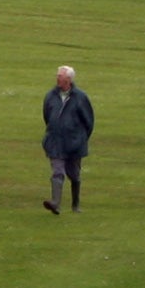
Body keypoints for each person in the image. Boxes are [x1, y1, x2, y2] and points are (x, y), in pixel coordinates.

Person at [40, 65, 95, 214]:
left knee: (74, 174)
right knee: (57, 171)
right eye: (57, 76)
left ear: (69, 79)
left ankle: (75, 205)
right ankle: (55, 203)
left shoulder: (80, 98)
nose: (57, 78)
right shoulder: (50, 96)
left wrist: (80, 139)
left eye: (60, 76)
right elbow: (47, 116)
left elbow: (88, 122)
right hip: (55, 142)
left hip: (74, 144)